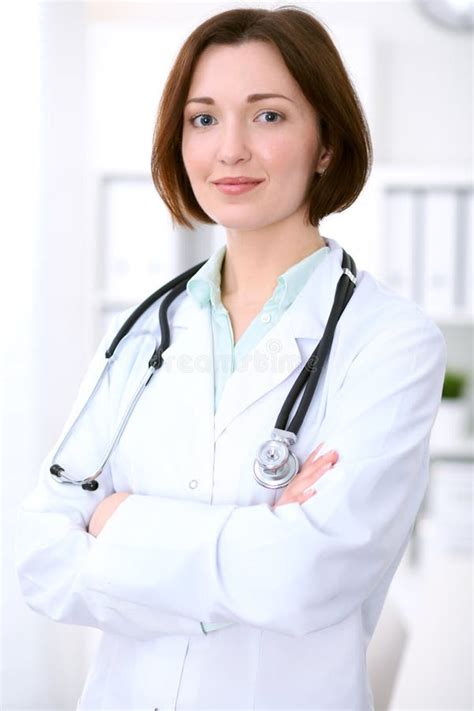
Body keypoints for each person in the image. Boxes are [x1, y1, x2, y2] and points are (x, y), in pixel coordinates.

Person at [14, 6, 447, 710]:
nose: (230, 150)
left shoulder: (392, 341)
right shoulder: (143, 333)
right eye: (204, 118)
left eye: (269, 116)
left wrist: (116, 522)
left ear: (328, 143)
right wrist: (249, 548)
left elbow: (306, 574)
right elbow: (40, 555)